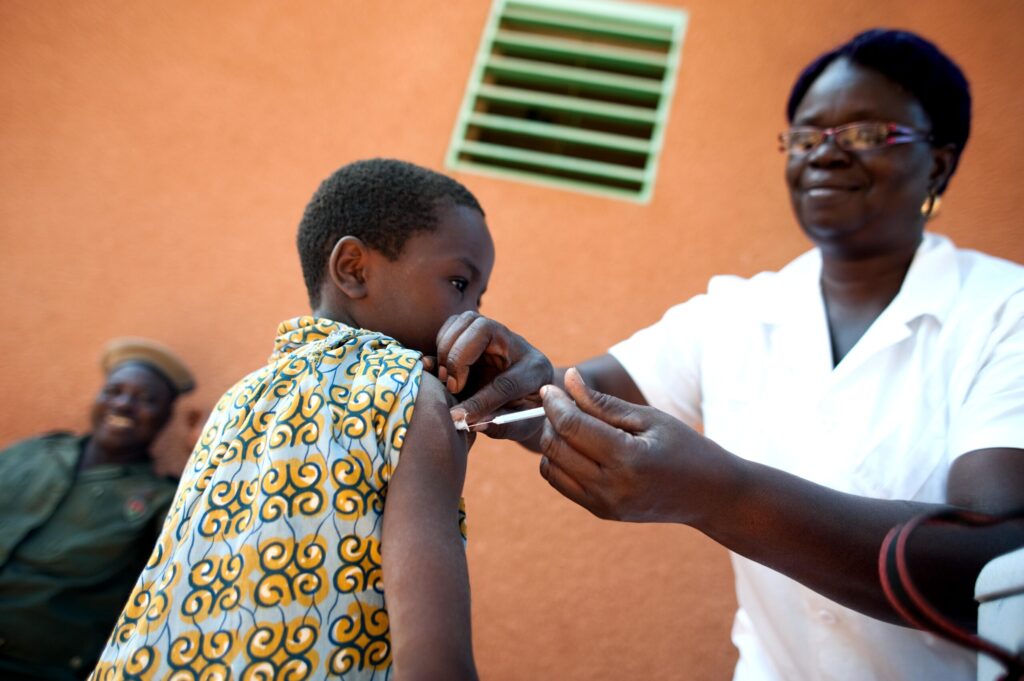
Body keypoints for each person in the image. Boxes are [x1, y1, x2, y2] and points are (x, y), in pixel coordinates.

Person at [432, 29, 1024, 680]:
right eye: (805, 137)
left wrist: (722, 494)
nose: (824, 155)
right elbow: (563, 403)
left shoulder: (1003, 312)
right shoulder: (735, 314)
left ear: (937, 164)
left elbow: (998, 559)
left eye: (863, 134)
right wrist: (502, 376)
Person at [91, 159, 492, 681]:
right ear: (352, 268)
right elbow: (435, 660)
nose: (475, 317)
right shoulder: (413, 394)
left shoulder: (238, 398)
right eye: (459, 283)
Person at [0, 337, 195, 681]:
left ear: (165, 417)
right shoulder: (31, 453)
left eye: (146, 399)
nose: (123, 404)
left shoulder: (160, 502)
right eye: (114, 391)